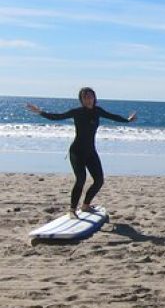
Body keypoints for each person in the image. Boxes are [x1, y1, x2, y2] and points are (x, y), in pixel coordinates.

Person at [26, 88, 137, 218]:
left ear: (95, 98)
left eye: (91, 96)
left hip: (90, 152)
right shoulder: (77, 112)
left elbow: (113, 117)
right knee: (81, 179)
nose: (89, 99)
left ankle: (85, 205)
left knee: (99, 180)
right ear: (81, 100)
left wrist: (128, 120)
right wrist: (40, 112)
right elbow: (58, 117)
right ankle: (72, 210)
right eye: (85, 97)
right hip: (77, 152)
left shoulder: (98, 111)